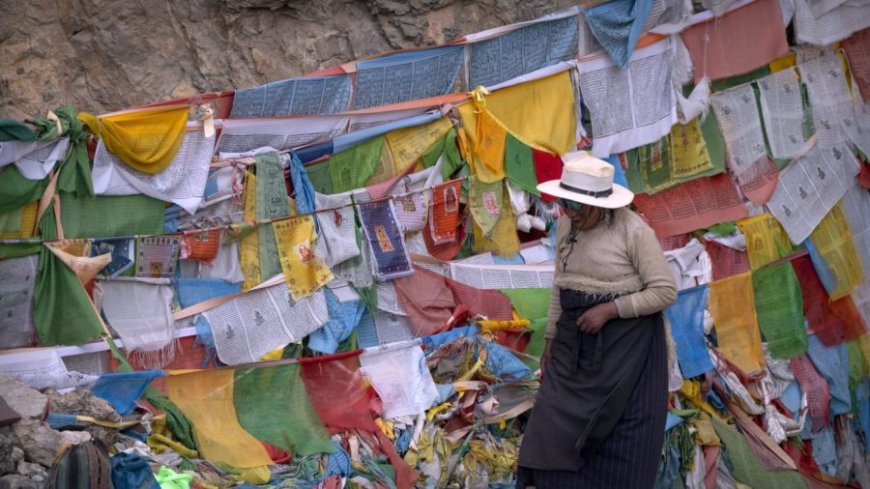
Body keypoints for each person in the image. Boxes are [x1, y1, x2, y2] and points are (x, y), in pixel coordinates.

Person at [516, 152, 677, 488]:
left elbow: (664, 291)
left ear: (599, 205)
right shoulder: (565, 226)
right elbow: (561, 282)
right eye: (564, 204)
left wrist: (611, 309)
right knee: (549, 429)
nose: (568, 214)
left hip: (628, 350)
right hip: (574, 343)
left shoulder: (634, 231)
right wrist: (549, 341)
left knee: (621, 438)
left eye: (576, 207)